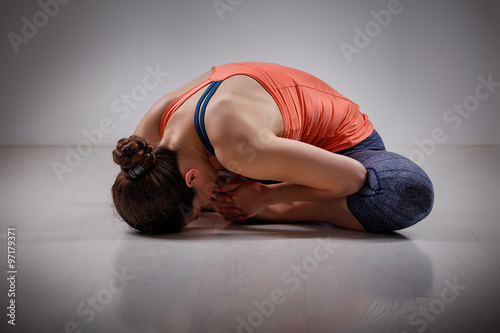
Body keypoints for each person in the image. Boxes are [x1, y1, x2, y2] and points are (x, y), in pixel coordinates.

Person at [111, 62, 434, 234]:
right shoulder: (148, 137)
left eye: (196, 211)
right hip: (272, 157)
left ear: (191, 178)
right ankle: (259, 195)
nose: (203, 214)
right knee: (221, 181)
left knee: (404, 193)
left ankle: (286, 209)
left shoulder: (238, 147)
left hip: (343, 151)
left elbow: (352, 178)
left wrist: (269, 200)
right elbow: (140, 185)